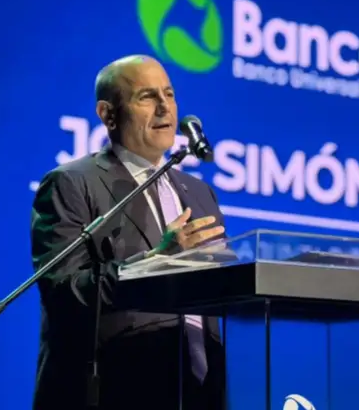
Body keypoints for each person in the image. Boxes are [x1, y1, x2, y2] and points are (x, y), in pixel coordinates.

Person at [30, 55, 227, 410]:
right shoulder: (71, 183)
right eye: (147, 97)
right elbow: (64, 292)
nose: (165, 107)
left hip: (198, 395)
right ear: (108, 114)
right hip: (112, 392)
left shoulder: (200, 194)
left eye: (169, 94)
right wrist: (153, 262)